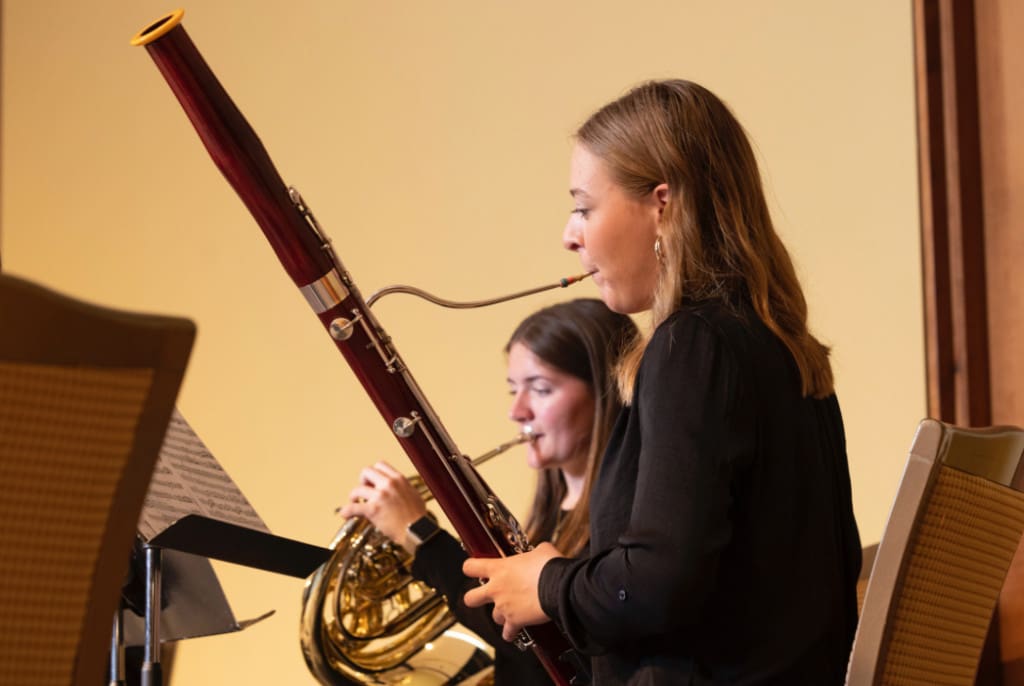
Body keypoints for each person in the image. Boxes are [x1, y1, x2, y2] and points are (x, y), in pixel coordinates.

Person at [461, 79, 863, 685]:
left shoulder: (691, 345)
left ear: (662, 204)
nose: (570, 235)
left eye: (583, 207)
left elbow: (654, 587)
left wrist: (549, 583)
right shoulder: (778, 339)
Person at [340, 298, 638, 684]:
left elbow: (545, 650)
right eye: (513, 389)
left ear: (606, 390)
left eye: (541, 389)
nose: (517, 411)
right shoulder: (545, 517)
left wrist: (421, 537)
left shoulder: (626, 519)